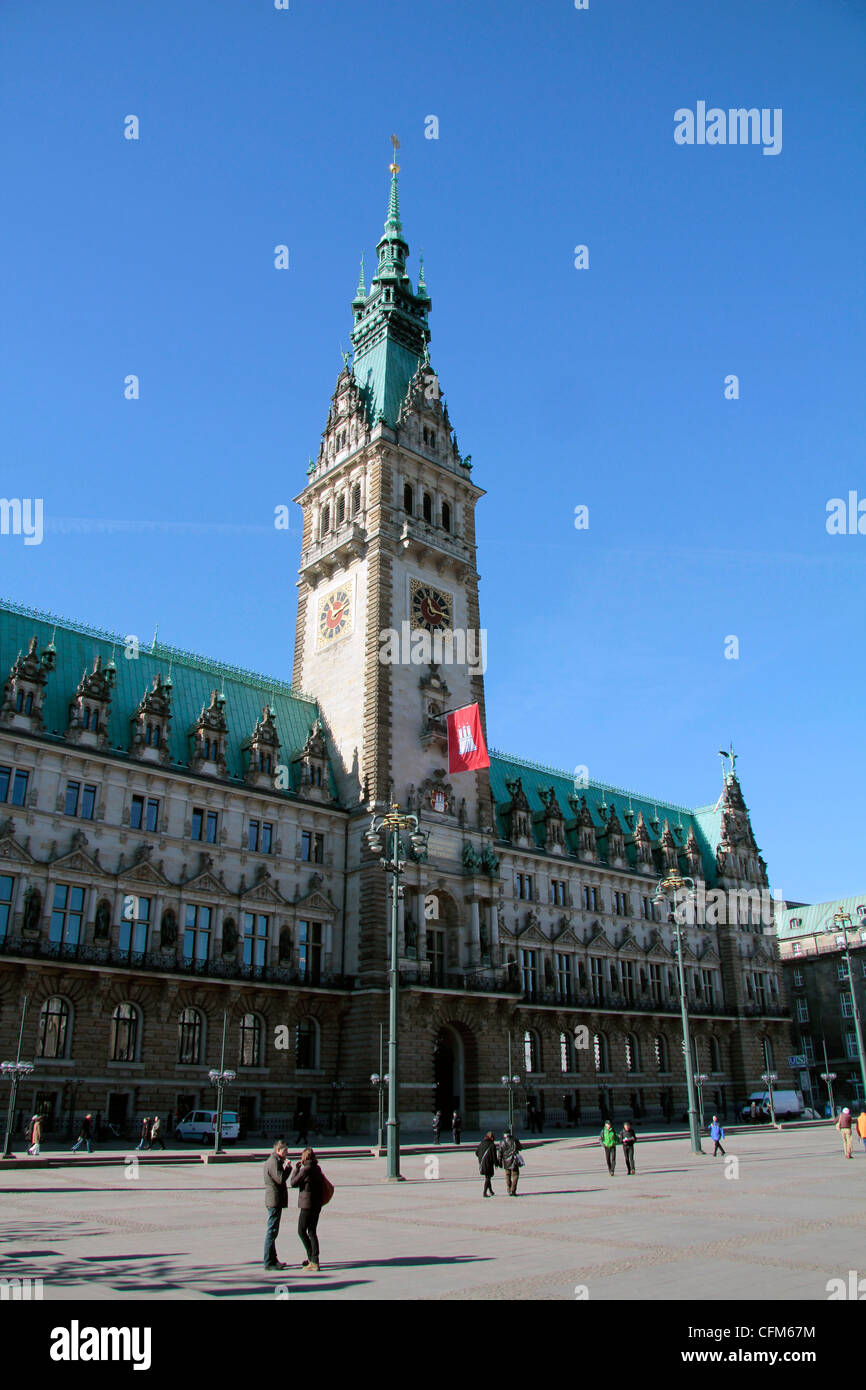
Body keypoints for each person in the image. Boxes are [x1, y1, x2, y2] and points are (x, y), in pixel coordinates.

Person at [290, 1146, 324, 1271]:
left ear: (304, 1158)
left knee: (301, 1230)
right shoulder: (317, 1168)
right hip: (317, 1204)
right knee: (312, 1231)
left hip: (307, 1205)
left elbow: (293, 1183)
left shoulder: (305, 1170)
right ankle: (313, 1259)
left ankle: (313, 1259)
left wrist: (296, 1170)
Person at [263, 1138, 289, 1271]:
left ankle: (273, 1260)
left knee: (273, 1231)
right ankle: (268, 1261)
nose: (287, 1152)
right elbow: (280, 1179)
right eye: (285, 1150)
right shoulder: (273, 1162)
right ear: (278, 1150)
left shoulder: (275, 1160)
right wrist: (288, 1168)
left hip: (274, 1199)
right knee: (272, 1231)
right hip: (274, 1200)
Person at [499, 1128, 523, 1196]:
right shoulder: (515, 1140)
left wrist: (499, 1162)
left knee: (508, 1175)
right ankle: (513, 1189)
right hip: (514, 1161)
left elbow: (500, 1153)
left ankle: (509, 1189)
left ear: (504, 1135)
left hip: (506, 1161)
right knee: (515, 1175)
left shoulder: (502, 1142)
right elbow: (521, 1148)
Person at [475, 1130, 500, 1197]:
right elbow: (494, 1156)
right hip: (488, 1163)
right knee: (488, 1178)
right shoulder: (492, 1145)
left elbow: (476, 1152)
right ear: (491, 1137)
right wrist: (496, 1164)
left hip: (482, 1163)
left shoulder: (481, 1143)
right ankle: (484, 1192)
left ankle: (491, 1191)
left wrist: (480, 1158)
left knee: (487, 1177)